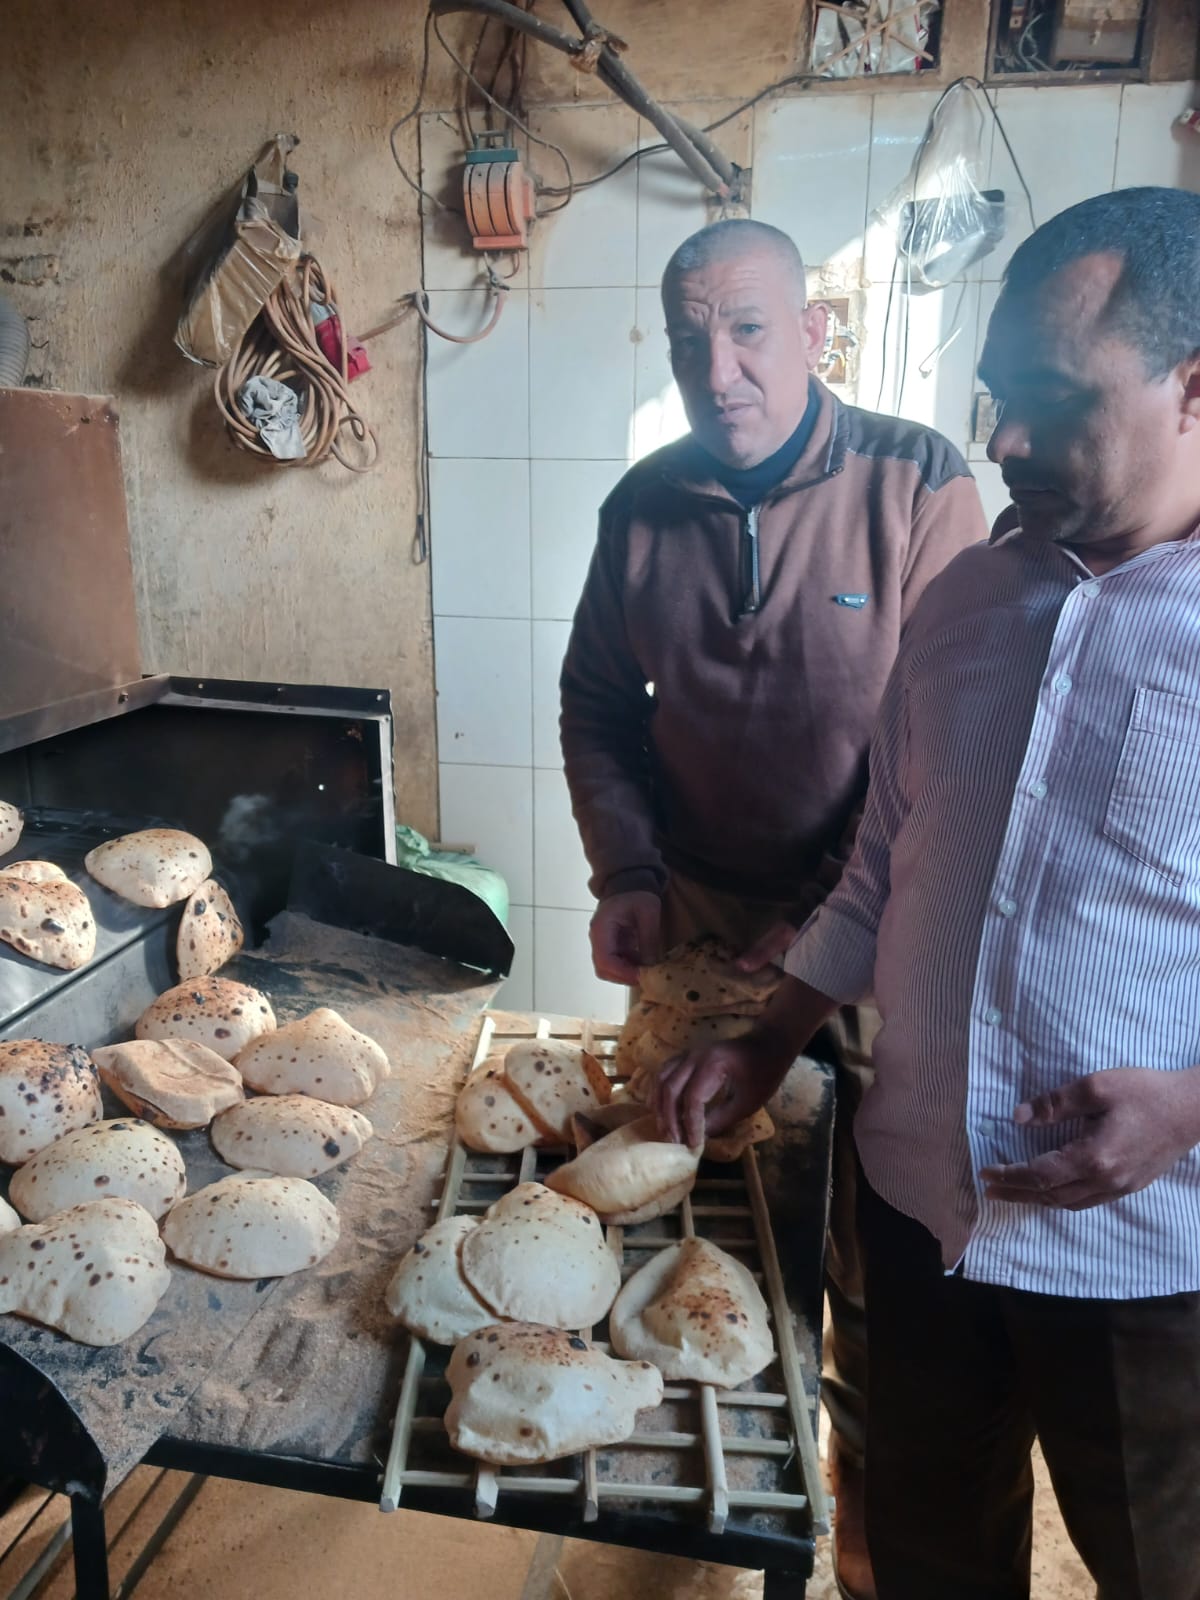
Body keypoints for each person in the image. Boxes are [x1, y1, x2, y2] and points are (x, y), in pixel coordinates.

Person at [656, 186, 1200, 1600]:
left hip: (1148, 1252)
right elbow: (885, 860)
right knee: (927, 1565)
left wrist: (1192, 1105)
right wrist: (769, 1038)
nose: (1005, 440)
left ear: (1192, 388)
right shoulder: (968, 603)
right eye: (998, 398)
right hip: (916, 1210)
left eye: (1053, 400)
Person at [559, 217, 988, 1597]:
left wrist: (820, 913)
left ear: (815, 332)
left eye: (748, 330)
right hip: (695, 919)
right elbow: (595, 705)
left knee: (869, 1248)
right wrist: (629, 874)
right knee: (696, 1195)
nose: (719, 369)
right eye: (691, 339)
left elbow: (946, 738)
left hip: (872, 925)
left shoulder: (917, 482)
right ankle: (693, 1508)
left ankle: (863, 1530)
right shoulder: (643, 508)